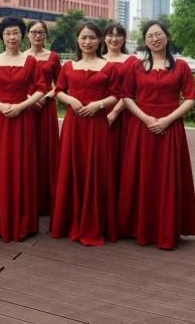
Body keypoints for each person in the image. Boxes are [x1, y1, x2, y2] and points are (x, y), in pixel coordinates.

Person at [118, 21, 195, 250]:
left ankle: (166, 229)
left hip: (170, 128)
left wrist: (167, 119)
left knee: (167, 176)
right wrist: (146, 118)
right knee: (142, 175)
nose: (155, 39)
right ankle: (139, 228)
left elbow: (191, 97)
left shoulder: (181, 66)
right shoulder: (137, 66)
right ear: (145, 40)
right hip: (141, 127)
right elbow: (126, 96)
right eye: (150, 35)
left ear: (167, 37)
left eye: (159, 34)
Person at [0, 17, 46, 242]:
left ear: (22, 35)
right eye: (7, 33)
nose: (12, 37)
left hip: (22, 118)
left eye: (16, 33)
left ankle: (21, 221)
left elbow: (42, 88)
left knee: (21, 165)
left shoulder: (30, 61)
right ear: (2, 36)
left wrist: (22, 105)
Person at [51, 22, 119, 246]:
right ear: (77, 40)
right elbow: (59, 91)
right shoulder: (69, 66)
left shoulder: (109, 67)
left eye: (92, 38)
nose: (87, 42)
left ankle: (94, 223)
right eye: (83, 37)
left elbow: (116, 95)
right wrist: (71, 100)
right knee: (72, 167)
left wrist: (98, 105)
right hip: (74, 124)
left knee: (96, 169)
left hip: (97, 124)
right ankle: (69, 221)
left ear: (99, 40)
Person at [24, 20, 61, 216]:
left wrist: (45, 97)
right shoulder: (21, 56)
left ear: (46, 35)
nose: (37, 35)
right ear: (27, 35)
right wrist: (28, 99)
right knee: (27, 150)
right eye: (34, 32)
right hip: (25, 108)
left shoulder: (53, 57)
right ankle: (27, 199)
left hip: (46, 107)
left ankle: (47, 201)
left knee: (46, 151)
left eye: (41, 32)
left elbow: (61, 84)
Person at [102, 22, 137, 191]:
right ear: (104, 38)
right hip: (98, 112)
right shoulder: (97, 59)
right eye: (110, 35)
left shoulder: (132, 62)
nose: (114, 39)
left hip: (124, 115)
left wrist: (115, 112)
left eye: (118, 35)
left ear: (124, 38)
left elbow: (131, 91)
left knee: (122, 156)